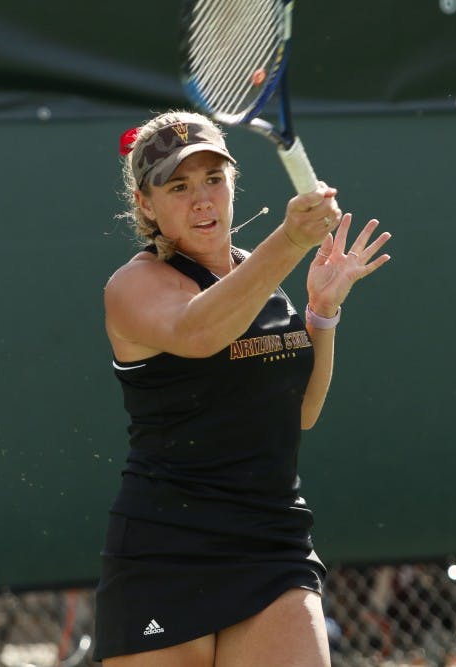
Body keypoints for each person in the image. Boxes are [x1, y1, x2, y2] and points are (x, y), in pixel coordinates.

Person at [94, 109, 392, 667]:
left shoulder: (262, 281)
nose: (201, 198)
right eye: (178, 186)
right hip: (166, 549)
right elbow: (199, 330)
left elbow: (299, 412)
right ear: (146, 204)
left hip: (271, 544)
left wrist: (322, 316)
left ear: (233, 184)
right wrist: (290, 239)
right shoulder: (133, 285)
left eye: (213, 179)